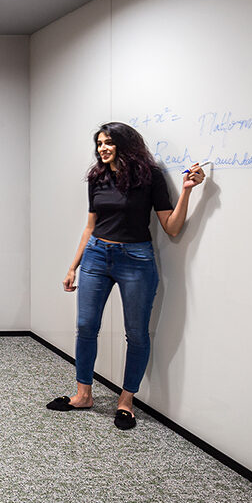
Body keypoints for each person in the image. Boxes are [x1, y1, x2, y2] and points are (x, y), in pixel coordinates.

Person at [47, 122, 204, 430]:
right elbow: (90, 226)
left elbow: (171, 227)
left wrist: (187, 192)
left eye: (108, 142)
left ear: (125, 144)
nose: (102, 148)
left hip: (136, 259)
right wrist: (72, 266)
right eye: (99, 144)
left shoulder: (150, 177)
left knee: (136, 333)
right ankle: (83, 395)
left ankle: (126, 401)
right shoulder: (97, 178)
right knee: (85, 325)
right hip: (96, 255)